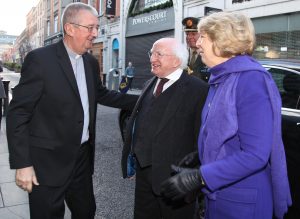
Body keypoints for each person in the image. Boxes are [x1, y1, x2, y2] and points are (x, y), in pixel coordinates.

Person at [6, 3, 137, 219]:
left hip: (81, 159)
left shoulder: (90, 62)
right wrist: (23, 164)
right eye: (90, 27)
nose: (95, 33)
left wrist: (145, 99)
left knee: (86, 211)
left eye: (96, 28)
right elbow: (18, 113)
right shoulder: (40, 60)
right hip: (47, 162)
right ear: (70, 28)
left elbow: (102, 94)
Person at [161, 11, 292, 219]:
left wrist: (200, 177)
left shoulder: (250, 80)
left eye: (203, 36)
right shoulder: (220, 78)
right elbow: (225, 132)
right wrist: (200, 154)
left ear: (222, 39)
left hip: (242, 202)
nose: (197, 43)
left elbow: (255, 155)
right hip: (221, 195)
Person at [121, 37, 208, 219]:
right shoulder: (150, 83)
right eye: (151, 53)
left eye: (158, 54)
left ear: (176, 60)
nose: (152, 59)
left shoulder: (198, 90)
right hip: (144, 177)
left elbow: (202, 139)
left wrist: (195, 179)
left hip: (175, 181)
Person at [182, 17, 209, 82]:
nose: (189, 37)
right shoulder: (182, 55)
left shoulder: (209, 54)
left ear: (202, 35)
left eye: (193, 34)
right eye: (187, 34)